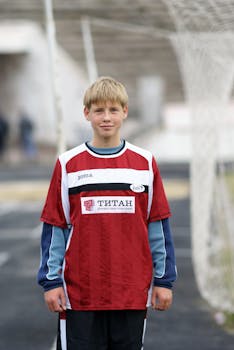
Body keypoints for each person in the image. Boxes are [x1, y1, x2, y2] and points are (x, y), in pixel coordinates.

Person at [37, 76, 177, 350]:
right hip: (80, 293)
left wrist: (164, 280)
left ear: (125, 112)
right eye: (99, 110)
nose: (106, 117)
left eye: (113, 110)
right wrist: (51, 281)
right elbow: (55, 226)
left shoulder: (144, 163)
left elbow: (157, 225)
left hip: (131, 290)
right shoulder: (68, 164)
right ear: (86, 113)